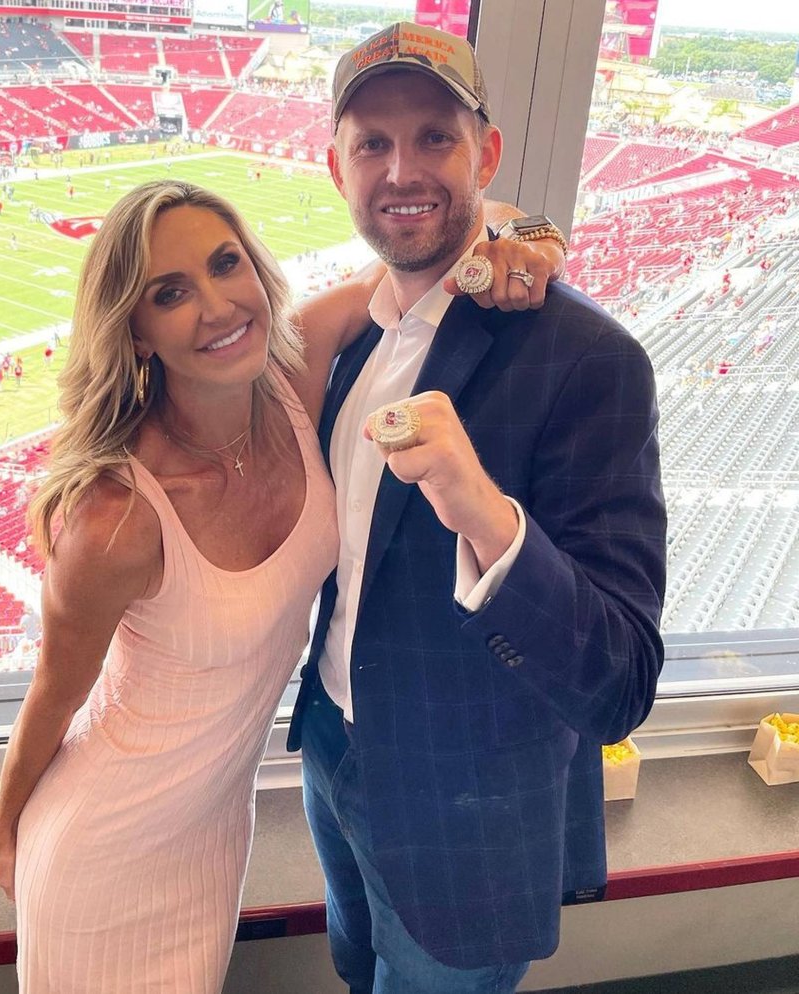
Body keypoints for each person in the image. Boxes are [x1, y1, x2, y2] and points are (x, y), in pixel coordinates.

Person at [0, 179, 563, 994]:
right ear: (137, 332)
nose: (217, 306)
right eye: (170, 293)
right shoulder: (115, 517)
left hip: (213, 836)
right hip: (102, 852)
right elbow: (53, 693)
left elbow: (429, 252)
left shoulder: (294, 375)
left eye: (226, 265)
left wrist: (523, 228)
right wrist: (8, 830)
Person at [286, 23, 666, 994]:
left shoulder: (586, 359)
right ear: (335, 165)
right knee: (354, 968)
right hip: (333, 756)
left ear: (485, 153)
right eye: (372, 143)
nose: (401, 168)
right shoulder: (342, 338)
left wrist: (481, 512)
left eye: (434, 138)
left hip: (470, 810)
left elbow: (620, 679)